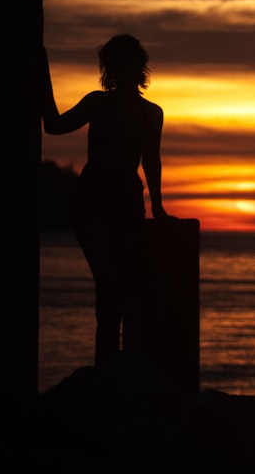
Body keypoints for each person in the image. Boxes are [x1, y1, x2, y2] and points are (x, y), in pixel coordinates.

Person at [41, 33, 169, 367]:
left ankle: (119, 368)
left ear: (139, 68)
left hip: (128, 198)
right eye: (115, 63)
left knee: (127, 288)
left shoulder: (151, 113)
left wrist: (157, 206)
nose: (121, 70)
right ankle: (107, 367)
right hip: (94, 197)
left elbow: (151, 161)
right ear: (109, 69)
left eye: (128, 62)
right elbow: (54, 126)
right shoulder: (97, 102)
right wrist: (41, 78)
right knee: (110, 283)